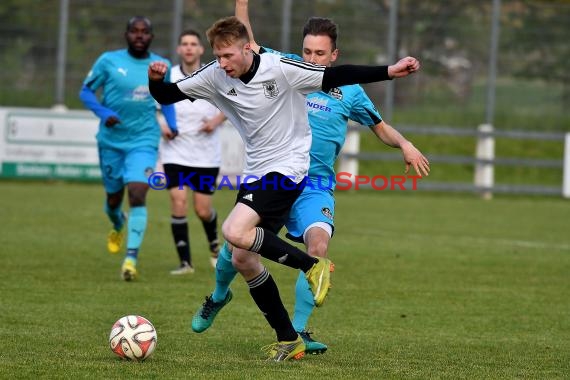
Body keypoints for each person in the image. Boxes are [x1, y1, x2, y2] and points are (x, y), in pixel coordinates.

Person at [148, 16, 419, 361]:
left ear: (246, 48)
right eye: (218, 56)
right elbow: (168, 94)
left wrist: (389, 71)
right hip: (257, 172)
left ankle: (310, 270)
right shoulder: (217, 74)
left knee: (238, 231)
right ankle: (286, 337)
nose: (223, 63)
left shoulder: (284, 69)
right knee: (241, 254)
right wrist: (154, 79)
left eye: (228, 55)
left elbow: (340, 75)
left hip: (294, 169)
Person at [79, 16, 177, 281]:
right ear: (126, 34)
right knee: (113, 200)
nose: (139, 35)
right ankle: (117, 222)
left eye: (145, 32)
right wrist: (103, 112)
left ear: (152, 37)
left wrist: (172, 123)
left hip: (144, 141)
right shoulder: (108, 61)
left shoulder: (160, 65)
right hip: (111, 141)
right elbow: (86, 92)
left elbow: (166, 99)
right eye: (134, 31)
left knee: (137, 193)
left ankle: (130, 258)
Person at [160, 29, 227, 275]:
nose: (188, 48)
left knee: (202, 209)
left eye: (193, 44)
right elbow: (155, 107)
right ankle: (185, 263)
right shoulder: (169, 76)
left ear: (201, 49)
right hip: (175, 152)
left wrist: (216, 121)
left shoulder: (214, 75)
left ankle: (213, 245)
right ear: (179, 49)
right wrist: (164, 126)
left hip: (205, 155)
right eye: (184, 44)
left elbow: (231, 104)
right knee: (178, 201)